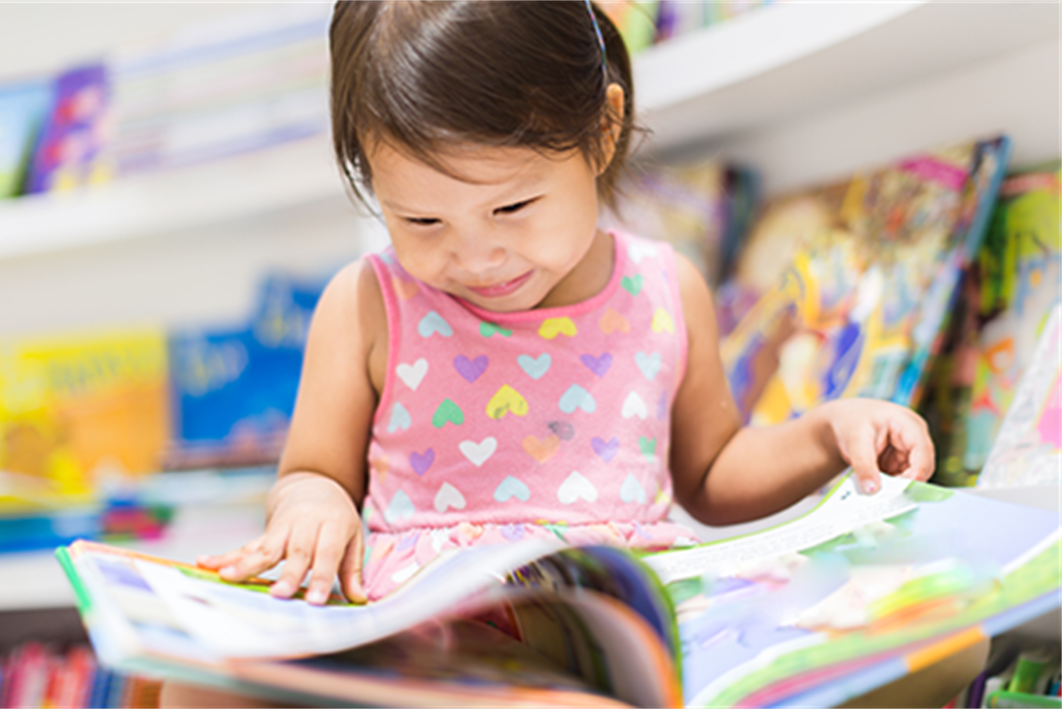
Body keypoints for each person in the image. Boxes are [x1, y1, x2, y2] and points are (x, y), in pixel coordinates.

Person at [162, 1, 985, 706]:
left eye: (512, 206)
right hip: (442, 642)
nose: (476, 256)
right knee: (191, 684)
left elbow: (713, 475)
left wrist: (825, 433)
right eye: (421, 222)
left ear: (603, 131)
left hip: (630, 621)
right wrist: (314, 507)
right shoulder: (369, 304)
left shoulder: (666, 289)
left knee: (950, 643)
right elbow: (312, 474)